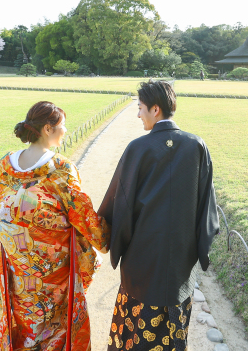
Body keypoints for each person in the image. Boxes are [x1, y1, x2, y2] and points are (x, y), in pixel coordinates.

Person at [98, 80, 219, 351]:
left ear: (155, 109)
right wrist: (199, 247)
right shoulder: (196, 145)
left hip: (142, 255)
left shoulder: (138, 148)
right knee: (174, 322)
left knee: (136, 321)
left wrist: (113, 239)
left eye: (140, 108)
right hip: (180, 255)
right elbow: (206, 204)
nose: (138, 114)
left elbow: (121, 202)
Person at [0, 101, 110, 351]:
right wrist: (105, 239)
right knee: (56, 332)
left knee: (23, 328)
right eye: (62, 125)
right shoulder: (60, 169)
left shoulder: (5, 166)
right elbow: (83, 215)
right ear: (47, 128)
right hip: (54, 277)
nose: (65, 130)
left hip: (18, 271)